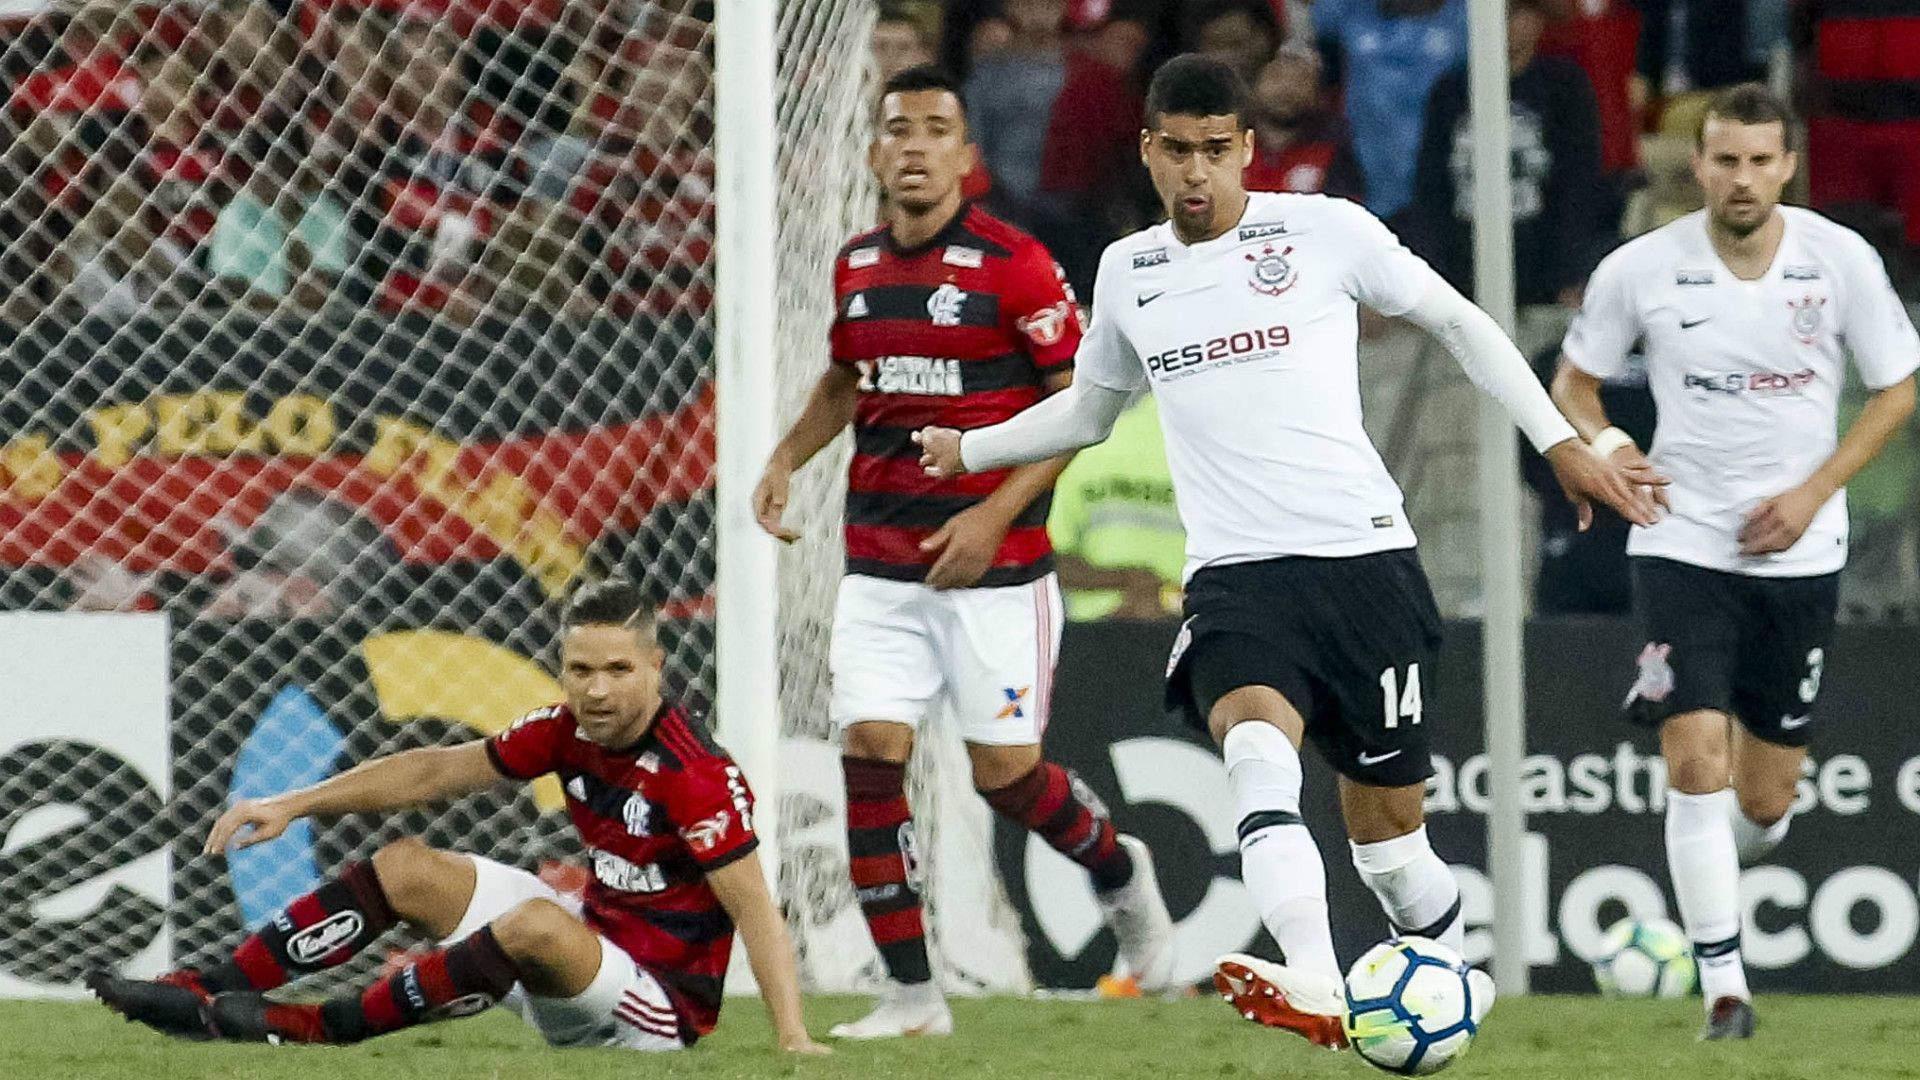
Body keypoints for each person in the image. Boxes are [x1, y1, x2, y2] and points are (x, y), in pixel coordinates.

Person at [913, 54, 1660, 1047]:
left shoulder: (1324, 231)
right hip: (1236, 579)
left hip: (1364, 564)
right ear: (1148, 150)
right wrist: (972, 447)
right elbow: (1091, 412)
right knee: (1257, 755)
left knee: (1391, 843)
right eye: (1177, 151)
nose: (1196, 173)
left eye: (1216, 151)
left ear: (1245, 150)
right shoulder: (1130, 270)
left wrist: (1563, 443)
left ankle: (1446, 983)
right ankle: (1316, 980)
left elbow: (1459, 322)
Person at [753, 65, 1177, 1039]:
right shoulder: (856, 263)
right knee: (871, 755)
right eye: (896, 128)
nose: (912, 144)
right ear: (873, 152)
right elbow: (846, 382)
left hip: (1001, 573)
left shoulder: (1014, 264)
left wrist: (991, 516)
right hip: (879, 566)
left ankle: (1123, 872)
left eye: (934, 128)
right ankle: (912, 995)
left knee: (1007, 780)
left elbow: (1083, 413)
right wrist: (784, 456)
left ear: (965, 156)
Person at [1550, 83, 1920, 1040]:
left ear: (1788, 165)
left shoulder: (1838, 261)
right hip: (1680, 538)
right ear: (1699, 165)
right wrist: (1613, 449)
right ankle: (1725, 988)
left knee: (1763, 801)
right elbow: (1576, 383)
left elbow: (1896, 390)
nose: (1742, 178)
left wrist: (1811, 493)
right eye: (1725, 160)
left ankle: (1719, 872)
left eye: (1761, 160)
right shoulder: (1642, 268)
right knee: (1695, 759)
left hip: (1800, 548)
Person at [87, 578, 829, 1055]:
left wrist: (791, 1036)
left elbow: (756, 909)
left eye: (618, 670)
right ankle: (204, 989)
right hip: (587, 945)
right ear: (563, 667)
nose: (597, 690)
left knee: (536, 923)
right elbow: (435, 771)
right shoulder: (562, 728)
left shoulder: (695, 774)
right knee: (408, 866)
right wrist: (293, 802)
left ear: (657, 669)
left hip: (652, 1007)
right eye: (581, 670)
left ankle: (316, 1027)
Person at [1405, 0, 1609, 307]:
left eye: (1515, 12)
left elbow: (1578, 184)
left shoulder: (1565, 88)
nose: (1505, 22)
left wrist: (1570, 272)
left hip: (1544, 273)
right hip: (1462, 273)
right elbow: (1432, 187)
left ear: (1539, 20)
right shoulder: (1450, 91)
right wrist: (1433, 273)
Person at [1049, 395, 1186, 621]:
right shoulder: (1209, 452)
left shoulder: (1088, 446)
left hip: (1097, 628)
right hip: (1187, 620)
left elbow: (1050, 559)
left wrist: (1125, 580)